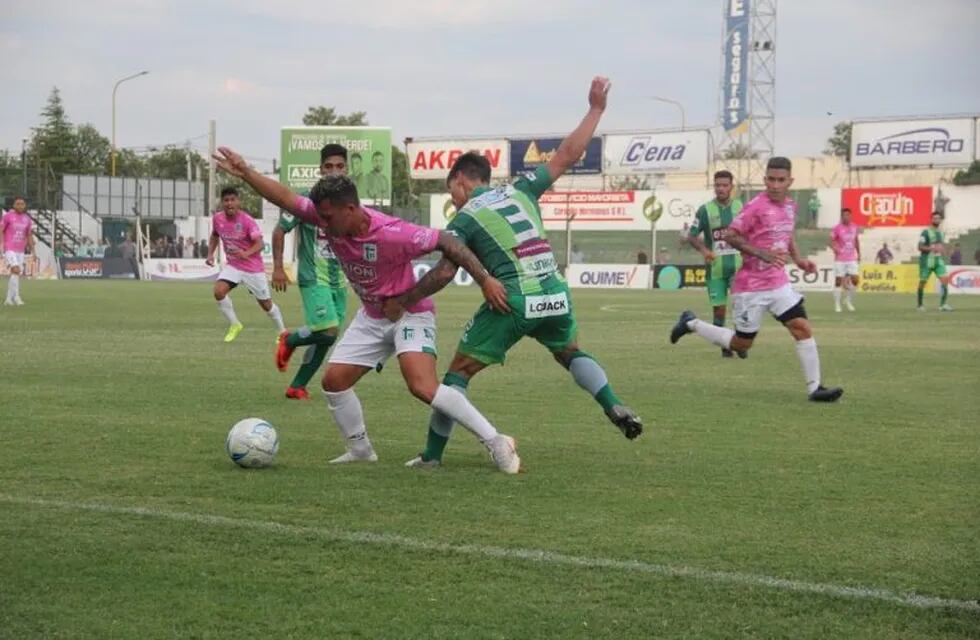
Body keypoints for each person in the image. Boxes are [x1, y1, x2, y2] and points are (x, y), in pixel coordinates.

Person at [213, 147, 523, 474]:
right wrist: (246, 172)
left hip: (410, 312)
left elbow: (448, 241)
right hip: (372, 316)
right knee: (334, 381)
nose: (324, 225)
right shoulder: (327, 214)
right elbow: (286, 198)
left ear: (350, 208)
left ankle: (496, 441)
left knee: (422, 386)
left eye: (329, 218)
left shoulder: (393, 233)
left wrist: (484, 279)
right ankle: (360, 450)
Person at [386, 76, 642, 469]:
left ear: (459, 181)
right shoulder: (523, 188)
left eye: (451, 189)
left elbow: (442, 274)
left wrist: (404, 300)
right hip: (555, 293)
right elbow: (568, 155)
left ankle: (432, 457)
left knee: (454, 377)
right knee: (569, 351)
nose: (452, 197)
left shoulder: (465, 216)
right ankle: (611, 403)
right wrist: (595, 109)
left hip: (513, 300)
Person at [670, 156, 844, 403]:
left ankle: (815, 388)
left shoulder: (790, 207)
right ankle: (691, 323)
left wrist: (800, 259)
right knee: (741, 345)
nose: (775, 185)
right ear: (765, 180)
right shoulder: (755, 207)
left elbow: (787, 234)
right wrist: (761, 253)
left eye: (780, 180)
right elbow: (731, 235)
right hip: (750, 287)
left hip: (779, 283)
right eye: (771, 180)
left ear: (789, 181)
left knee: (801, 328)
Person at [273, 143, 351, 400]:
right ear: (320, 169)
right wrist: (278, 268)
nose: (334, 171)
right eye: (328, 166)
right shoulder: (305, 201)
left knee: (327, 337)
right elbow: (279, 230)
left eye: (339, 166)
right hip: (312, 277)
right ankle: (290, 340)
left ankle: (297, 386)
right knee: (327, 331)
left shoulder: (351, 203)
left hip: (339, 280)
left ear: (347, 169)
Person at [206, 186, 286, 342]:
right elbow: (214, 236)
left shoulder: (247, 221)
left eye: (233, 200)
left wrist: (245, 253)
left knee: (266, 304)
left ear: (238, 202)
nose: (229, 203)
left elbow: (260, 244)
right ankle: (235, 324)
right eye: (226, 200)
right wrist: (210, 254)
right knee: (218, 291)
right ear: (222, 203)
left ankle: (282, 332)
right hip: (234, 266)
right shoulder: (217, 219)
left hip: (252, 269)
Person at [687, 170, 744, 358]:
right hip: (716, 269)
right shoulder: (705, 210)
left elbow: (751, 232)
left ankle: (741, 343)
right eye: (718, 185)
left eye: (724, 185)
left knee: (740, 307)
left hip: (738, 268)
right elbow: (692, 236)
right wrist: (704, 251)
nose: (721, 188)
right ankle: (725, 347)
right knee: (719, 310)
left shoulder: (741, 207)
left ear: (731, 187)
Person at [917, 211, 952, 312]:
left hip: (938, 260)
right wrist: (931, 249)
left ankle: (943, 305)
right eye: (935, 218)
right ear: (931, 219)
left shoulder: (941, 232)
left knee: (945, 280)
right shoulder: (925, 232)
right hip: (927, 261)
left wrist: (945, 251)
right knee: (922, 283)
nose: (937, 220)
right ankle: (920, 305)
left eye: (938, 218)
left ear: (940, 220)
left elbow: (940, 246)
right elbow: (919, 247)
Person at [1, 197, 34, 306]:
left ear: (25, 206)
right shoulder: (7, 217)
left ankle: (8, 299)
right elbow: (1, 230)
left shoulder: (27, 219)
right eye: (18, 204)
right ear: (14, 205)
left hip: (21, 249)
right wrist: (1, 245)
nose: (20, 206)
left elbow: (29, 235)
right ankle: (16, 297)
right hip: (9, 248)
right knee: (16, 270)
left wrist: (33, 250)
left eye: (22, 204)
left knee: (16, 273)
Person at [830, 208, 861, 312]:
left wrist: (859, 252)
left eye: (848, 215)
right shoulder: (837, 228)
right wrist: (834, 248)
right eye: (844, 215)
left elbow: (856, 240)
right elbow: (831, 240)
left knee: (856, 280)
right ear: (841, 216)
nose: (846, 217)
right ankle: (837, 304)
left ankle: (848, 300)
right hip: (840, 259)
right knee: (838, 281)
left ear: (850, 216)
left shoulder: (854, 227)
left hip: (851, 258)